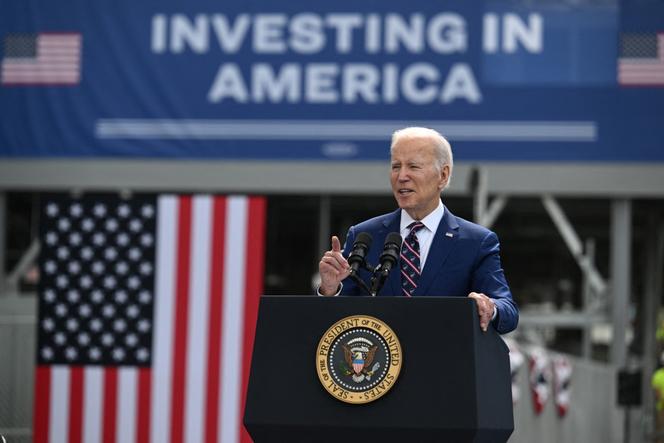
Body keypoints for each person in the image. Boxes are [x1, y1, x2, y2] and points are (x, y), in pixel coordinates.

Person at [318, 127, 518, 334]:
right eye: (396, 166)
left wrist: (489, 307)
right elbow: (337, 317)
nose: (402, 176)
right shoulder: (364, 236)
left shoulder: (476, 242)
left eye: (413, 166)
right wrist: (330, 289)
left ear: (443, 175)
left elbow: (508, 310)